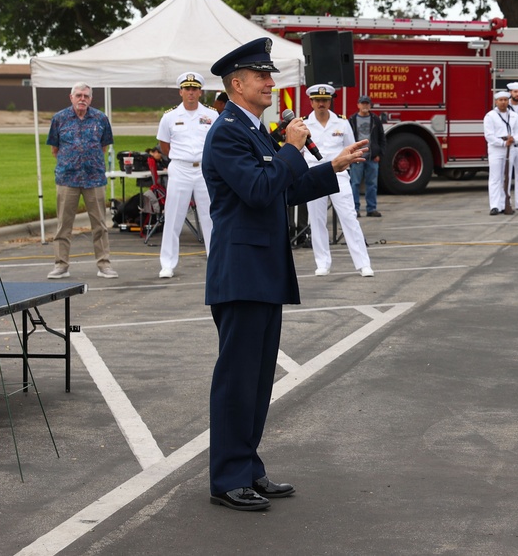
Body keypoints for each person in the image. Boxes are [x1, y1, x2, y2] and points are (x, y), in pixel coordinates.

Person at [202, 37, 368, 511]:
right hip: (241, 272)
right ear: (237, 83)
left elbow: (283, 191)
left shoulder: (252, 129)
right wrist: (293, 148)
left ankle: (248, 469)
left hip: (262, 270)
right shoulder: (228, 132)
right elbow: (258, 189)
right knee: (237, 379)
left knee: (256, 380)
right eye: (261, 77)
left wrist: (330, 166)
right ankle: (227, 478)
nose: (270, 83)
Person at [46, 82, 118, 279]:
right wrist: (71, 161)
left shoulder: (100, 118)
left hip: (94, 178)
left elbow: (103, 147)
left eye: (86, 96)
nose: (82, 99)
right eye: (78, 95)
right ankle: (61, 265)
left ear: (91, 99)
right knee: (63, 225)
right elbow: (55, 149)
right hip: (67, 178)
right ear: (71, 97)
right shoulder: (59, 119)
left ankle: (104, 264)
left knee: (100, 225)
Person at [303, 84, 375, 277]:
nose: (321, 104)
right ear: (311, 102)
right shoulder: (304, 125)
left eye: (325, 100)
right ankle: (322, 263)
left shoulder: (342, 123)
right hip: (314, 175)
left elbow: (350, 149)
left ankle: (363, 264)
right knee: (317, 221)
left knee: (349, 218)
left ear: (330, 101)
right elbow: (298, 152)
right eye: (317, 100)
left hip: (338, 176)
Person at [155, 71, 219, 279]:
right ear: (181, 91)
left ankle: (216, 259)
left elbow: (217, 142)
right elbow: (164, 145)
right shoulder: (170, 116)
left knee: (211, 216)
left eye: (194, 89)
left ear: (200, 92)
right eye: (187, 89)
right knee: (173, 217)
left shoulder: (211, 115)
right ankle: (167, 263)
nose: (191, 93)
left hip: (204, 169)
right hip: (180, 168)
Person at [483, 91, 518, 214]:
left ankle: (505, 203)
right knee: (496, 178)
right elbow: (489, 136)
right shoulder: (490, 116)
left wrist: (513, 139)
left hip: (510, 149)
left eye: (505, 100)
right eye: (500, 100)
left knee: (507, 177)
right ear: (496, 102)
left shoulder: (514, 116)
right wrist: (502, 143)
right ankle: (494, 206)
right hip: (496, 149)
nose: (503, 102)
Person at [348, 94, 385, 218]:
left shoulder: (375, 119)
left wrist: (379, 154)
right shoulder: (352, 120)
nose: (365, 106)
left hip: (372, 157)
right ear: (358, 105)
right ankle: (355, 209)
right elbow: (347, 138)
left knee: (372, 184)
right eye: (362, 103)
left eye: (367, 103)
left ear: (370, 105)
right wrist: (350, 155)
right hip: (357, 157)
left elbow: (382, 138)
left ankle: (371, 209)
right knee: (355, 184)